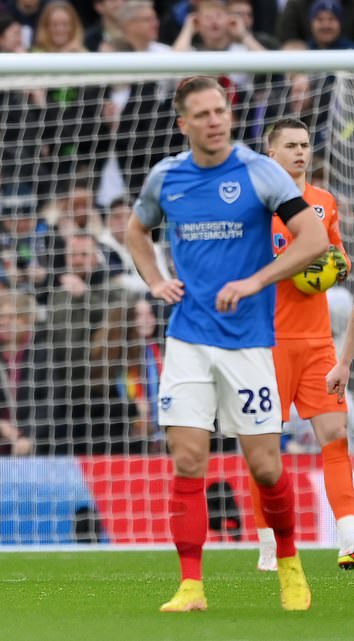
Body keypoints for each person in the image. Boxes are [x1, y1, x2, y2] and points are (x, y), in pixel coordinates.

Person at [126, 76, 328, 612]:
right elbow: (134, 232)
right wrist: (155, 279)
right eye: (204, 114)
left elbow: (315, 239)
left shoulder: (260, 171)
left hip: (249, 343)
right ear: (184, 123)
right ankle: (191, 585)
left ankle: (289, 564)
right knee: (188, 460)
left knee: (265, 467)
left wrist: (257, 281)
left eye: (221, 110)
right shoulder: (166, 177)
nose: (215, 120)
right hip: (188, 339)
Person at [248, 118, 354, 572]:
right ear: (271, 154)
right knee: (265, 452)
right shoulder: (254, 207)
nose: (299, 152)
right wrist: (292, 264)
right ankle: (269, 544)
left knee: (335, 438)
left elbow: (340, 258)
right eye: (290, 145)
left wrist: (334, 267)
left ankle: (349, 539)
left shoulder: (324, 203)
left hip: (317, 345)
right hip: (267, 344)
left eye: (305, 145)